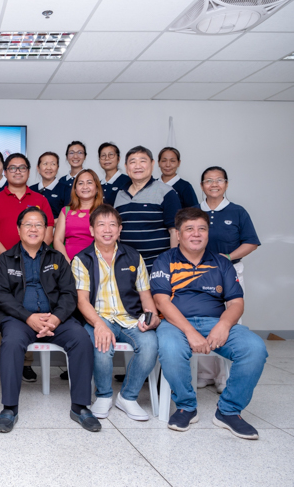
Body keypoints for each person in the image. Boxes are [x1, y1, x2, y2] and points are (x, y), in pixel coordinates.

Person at [151, 207, 268, 439]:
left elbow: (236, 302)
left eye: (201, 229)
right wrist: (190, 331)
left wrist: (223, 326)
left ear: (208, 232)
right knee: (171, 349)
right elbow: (162, 302)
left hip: (216, 322)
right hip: (176, 324)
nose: (196, 234)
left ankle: (229, 411)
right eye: (189, 229)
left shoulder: (221, 262)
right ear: (178, 233)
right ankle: (186, 406)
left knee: (255, 348)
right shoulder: (165, 260)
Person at [0, 207, 98, 433]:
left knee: (81, 338)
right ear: (19, 229)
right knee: (10, 343)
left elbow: (70, 294)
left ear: (46, 230)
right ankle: (9, 408)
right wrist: (28, 317)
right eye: (28, 224)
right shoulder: (5, 260)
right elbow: (1, 296)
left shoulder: (57, 258)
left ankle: (80, 406)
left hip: (55, 319)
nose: (33, 229)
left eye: (38, 225)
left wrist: (57, 318)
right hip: (18, 319)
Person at [73, 204, 160, 421]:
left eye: (113, 224)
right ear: (92, 230)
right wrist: (99, 324)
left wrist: (152, 316)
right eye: (101, 224)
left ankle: (128, 397)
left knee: (150, 344)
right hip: (98, 317)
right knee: (101, 345)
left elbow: (145, 295)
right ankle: (103, 395)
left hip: (130, 317)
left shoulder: (133, 256)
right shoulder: (81, 259)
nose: (107, 229)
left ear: (120, 230)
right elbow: (82, 301)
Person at [0, 153, 55, 382]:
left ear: (28, 171)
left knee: (33, 309)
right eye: (12, 168)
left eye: (22, 168)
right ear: (5, 172)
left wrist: (30, 258)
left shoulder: (40, 199)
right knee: (2, 312)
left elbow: (49, 230)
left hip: (36, 267)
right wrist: (11, 259)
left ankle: (26, 362)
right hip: (2, 267)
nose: (17, 171)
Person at [194, 166, 260, 391]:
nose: (214, 184)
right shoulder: (194, 211)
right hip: (197, 274)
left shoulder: (237, 211)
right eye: (208, 180)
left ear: (226, 184)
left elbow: (251, 242)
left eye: (219, 180)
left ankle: (224, 377)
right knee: (200, 319)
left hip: (229, 272)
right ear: (202, 185)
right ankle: (204, 373)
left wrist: (229, 257)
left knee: (228, 323)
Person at [114, 146, 182, 270]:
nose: (137, 166)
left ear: (152, 163)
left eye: (142, 161)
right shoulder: (120, 194)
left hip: (159, 265)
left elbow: (175, 231)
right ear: (126, 167)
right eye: (132, 162)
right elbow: (117, 232)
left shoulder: (166, 192)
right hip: (128, 266)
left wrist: (174, 264)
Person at [53, 168, 103, 263]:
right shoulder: (66, 211)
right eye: (80, 183)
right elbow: (57, 240)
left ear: (97, 188)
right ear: (75, 189)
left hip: (96, 264)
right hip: (67, 264)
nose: (85, 186)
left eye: (89, 182)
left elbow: (111, 241)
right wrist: (68, 263)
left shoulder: (104, 212)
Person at [30, 152, 64, 218]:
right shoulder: (30, 190)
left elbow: (68, 215)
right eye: (45, 164)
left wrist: (49, 224)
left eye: (53, 164)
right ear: (38, 168)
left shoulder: (67, 190)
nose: (49, 168)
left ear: (57, 168)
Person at [58, 141, 87, 206]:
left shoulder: (90, 178)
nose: (75, 156)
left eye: (80, 152)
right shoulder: (62, 181)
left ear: (85, 156)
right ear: (66, 156)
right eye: (71, 153)